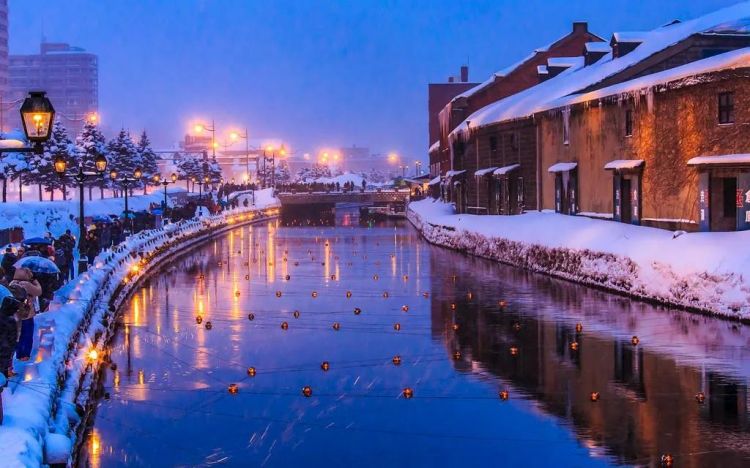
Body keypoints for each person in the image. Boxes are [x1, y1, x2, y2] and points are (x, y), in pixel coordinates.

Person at [10, 267, 41, 362]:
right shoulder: (27, 284)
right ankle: (26, 354)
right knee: (27, 334)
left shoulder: (12, 283)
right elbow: (39, 291)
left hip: (16, 314)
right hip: (27, 314)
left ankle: (18, 354)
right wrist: (35, 281)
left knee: (18, 334)